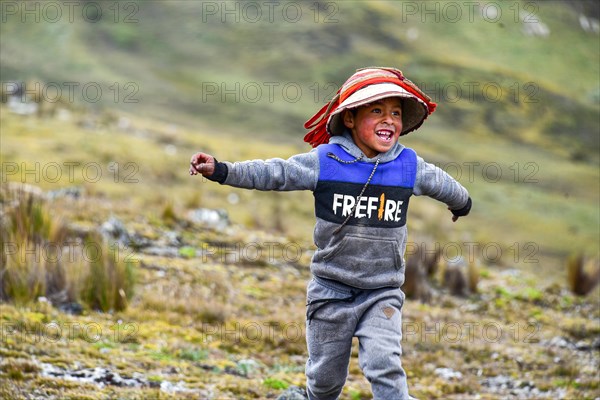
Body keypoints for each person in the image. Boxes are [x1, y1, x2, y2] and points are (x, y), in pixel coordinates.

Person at [189, 67, 471, 400]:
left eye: (395, 112)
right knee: (324, 385)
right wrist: (222, 170)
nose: (389, 120)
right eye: (377, 111)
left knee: (386, 367)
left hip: (382, 292)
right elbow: (276, 173)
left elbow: (443, 183)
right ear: (350, 118)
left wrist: (462, 203)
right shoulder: (326, 161)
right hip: (330, 292)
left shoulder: (409, 166)